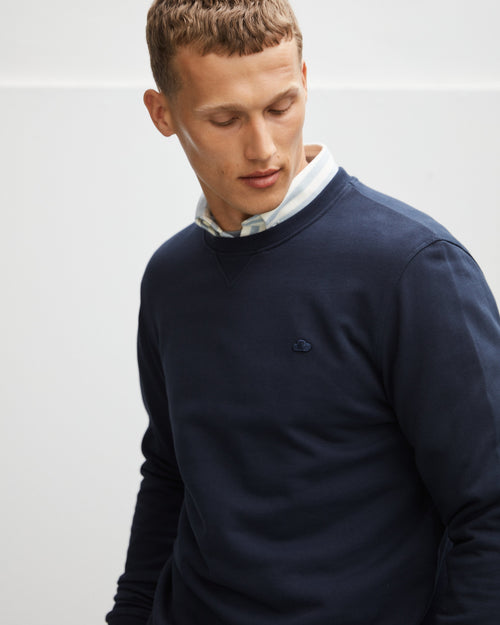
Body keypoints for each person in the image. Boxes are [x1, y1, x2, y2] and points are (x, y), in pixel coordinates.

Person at [106, 1, 500, 623]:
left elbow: (490, 512)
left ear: (305, 81)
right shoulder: (170, 277)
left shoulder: (412, 267)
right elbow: (171, 474)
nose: (263, 147)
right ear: (163, 114)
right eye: (225, 118)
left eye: (280, 107)